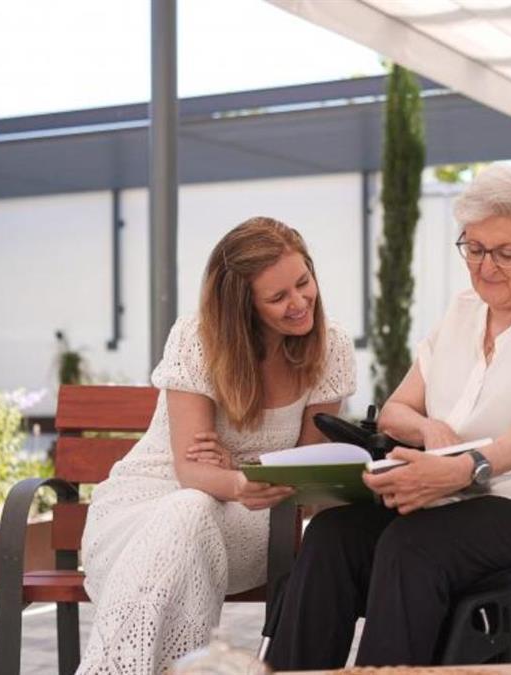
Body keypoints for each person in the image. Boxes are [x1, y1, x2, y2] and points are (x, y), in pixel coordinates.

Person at [264, 162, 511, 669]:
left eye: (505, 252)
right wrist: (428, 428)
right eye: (474, 249)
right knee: (333, 535)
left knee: (413, 545)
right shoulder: (462, 310)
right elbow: (395, 411)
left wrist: (467, 465)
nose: (485, 267)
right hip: (461, 493)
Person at [77, 217, 356, 674]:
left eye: (304, 283)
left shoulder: (331, 347)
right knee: (188, 506)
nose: (300, 302)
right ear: (241, 307)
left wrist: (237, 475)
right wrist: (234, 477)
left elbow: (306, 474)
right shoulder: (197, 338)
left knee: (191, 508)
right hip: (146, 504)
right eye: (278, 297)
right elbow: (190, 472)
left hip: (255, 520)